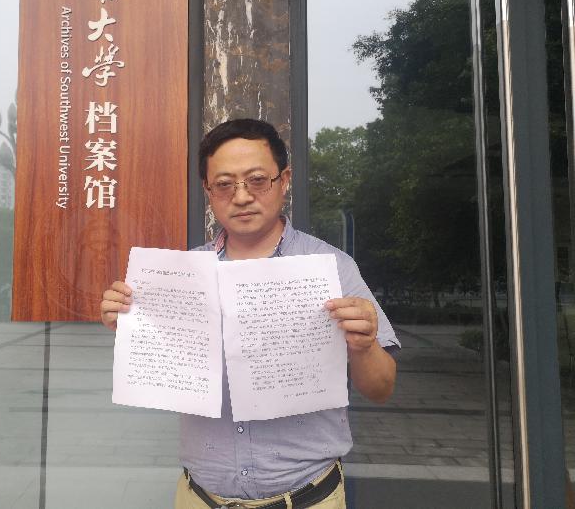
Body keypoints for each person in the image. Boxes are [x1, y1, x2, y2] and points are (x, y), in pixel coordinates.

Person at [100, 118, 400, 509]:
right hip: (200, 498)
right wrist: (132, 324)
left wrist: (364, 346)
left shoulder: (330, 266)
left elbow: (381, 389)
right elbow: (164, 370)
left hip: (308, 499)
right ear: (208, 191)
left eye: (257, 180)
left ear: (284, 180)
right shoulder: (181, 277)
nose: (241, 197)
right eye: (224, 184)